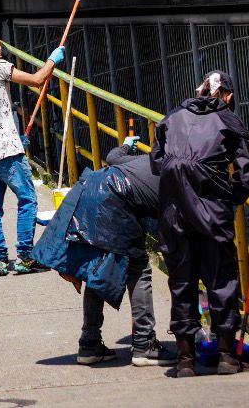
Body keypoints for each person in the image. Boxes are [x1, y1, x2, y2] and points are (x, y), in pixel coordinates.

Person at [31, 138, 177, 367]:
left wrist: (127, 145)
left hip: (92, 188)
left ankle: (89, 344)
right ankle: (144, 344)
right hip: (114, 201)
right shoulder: (178, 177)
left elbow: (112, 157)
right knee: (139, 269)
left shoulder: (145, 159)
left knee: (96, 271)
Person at [151, 70, 249, 377]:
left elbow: (157, 161)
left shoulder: (171, 118)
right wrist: (229, 196)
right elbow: (246, 170)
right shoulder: (228, 120)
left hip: (174, 214)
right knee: (222, 280)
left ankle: (185, 361)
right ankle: (226, 356)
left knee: (182, 282)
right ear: (228, 95)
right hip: (213, 214)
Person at [0, 30, 65, 276]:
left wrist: (15, 136)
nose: (0, 43)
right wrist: (53, 60)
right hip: (6, 151)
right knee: (28, 199)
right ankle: (25, 257)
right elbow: (37, 80)